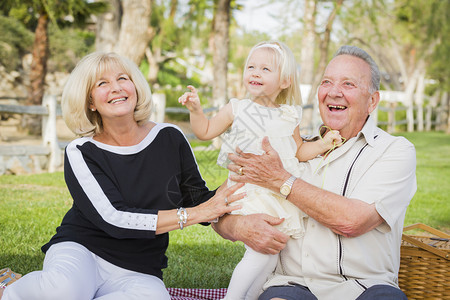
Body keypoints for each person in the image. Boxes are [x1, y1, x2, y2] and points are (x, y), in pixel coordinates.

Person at [0, 52, 244, 300]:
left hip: (139, 267)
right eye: (102, 83)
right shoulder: (81, 151)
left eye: (122, 78)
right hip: (83, 250)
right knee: (63, 291)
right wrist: (196, 214)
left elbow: (198, 200)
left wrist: (242, 175)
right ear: (90, 102)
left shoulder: (170, 137)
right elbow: (114, 217)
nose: (116, 88)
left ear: (135, 87)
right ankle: (9, 288)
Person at [213, 45, 417, 300]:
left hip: (365, 287)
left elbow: (352, 221)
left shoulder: (393, 151)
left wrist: (281, 180)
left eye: (348, 84)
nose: (334, 92)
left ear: (372, 101)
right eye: (326, 82)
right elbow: (218, 209)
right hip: (291, 286)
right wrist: (239, 225)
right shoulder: (289, 147)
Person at [179, 41, 343, 300]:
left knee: (270, 253)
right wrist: (196, 111)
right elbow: (205, 131)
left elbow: (298, 152)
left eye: (265, 69)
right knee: (260, 252)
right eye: (251, 67)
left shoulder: (290, 114)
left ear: (285, 81)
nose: (255, 72)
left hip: (279, 192)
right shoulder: (238, 108)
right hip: (250, 191)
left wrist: (323, 144)